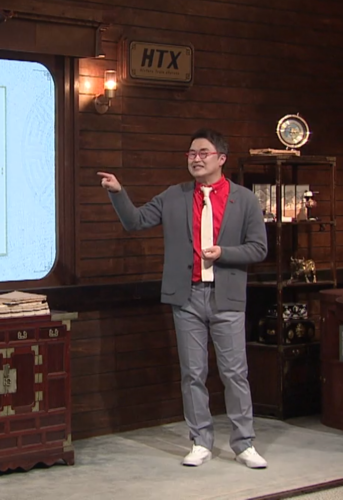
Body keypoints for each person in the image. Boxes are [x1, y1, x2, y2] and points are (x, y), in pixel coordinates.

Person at [97, 128, 268, 469]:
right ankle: (200, 441)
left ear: (221, 158)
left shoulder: (245, 199)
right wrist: (118, 193)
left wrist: (224, 253)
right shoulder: (174, 196)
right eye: (191, 153)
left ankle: (244, 443)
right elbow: (136, 221)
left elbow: (258, 248)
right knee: (193, 373)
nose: (196, 159)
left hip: (227, 297)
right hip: (186, 297)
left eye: (203, 153)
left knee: (235, 373)